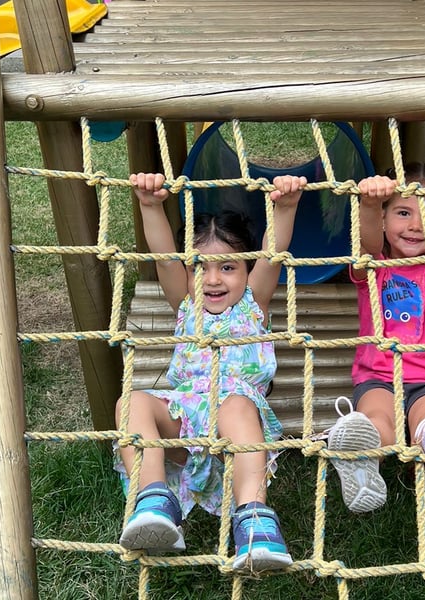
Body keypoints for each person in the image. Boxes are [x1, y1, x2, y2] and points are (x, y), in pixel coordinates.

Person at [116, 172, 305, 571]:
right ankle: (154, 501)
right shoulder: (185, 304)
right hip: (185, 423)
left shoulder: (253, 303)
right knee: (130, 402)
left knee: (234, 406)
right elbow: (165, 254)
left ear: (247, 271)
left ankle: (254, 521)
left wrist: (285, 207)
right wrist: (150, 205)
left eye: (229, 267)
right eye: (201, 267)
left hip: (237, 431)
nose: (214, 279)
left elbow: (274, 251)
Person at [328, 161, 425, 512]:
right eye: (403, 212)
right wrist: (369, 205)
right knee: (377, 420)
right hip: (378, 377)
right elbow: (367, 244)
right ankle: (362, 459)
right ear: (384, 221)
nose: (415, 226)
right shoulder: (375, 269)